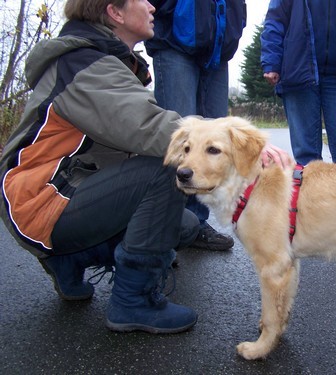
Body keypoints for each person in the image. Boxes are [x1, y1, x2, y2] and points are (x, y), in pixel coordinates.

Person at [0, 0, 288, 334]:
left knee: (184, 225)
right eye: (143, 0)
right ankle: (133, 300)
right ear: (115, 12)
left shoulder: (109, 61)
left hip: (64, 191)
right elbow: (151, 128)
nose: (153, 5)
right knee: (168, 167)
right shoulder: (86, 63)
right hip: (39, 199)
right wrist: (240, 141)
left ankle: (68, 259)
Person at [144, 0, 247, 251]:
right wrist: (171, 12)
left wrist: (233, 26)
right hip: (175, 43)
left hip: (217, 50)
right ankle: (164, 229)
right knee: (177, 137)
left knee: (213, 141)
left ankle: (196, 224)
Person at [261, 0, 336, 166]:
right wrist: (271, 62)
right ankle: (310, 192)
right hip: (298, 70)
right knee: (306, 156)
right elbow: (275, 21)